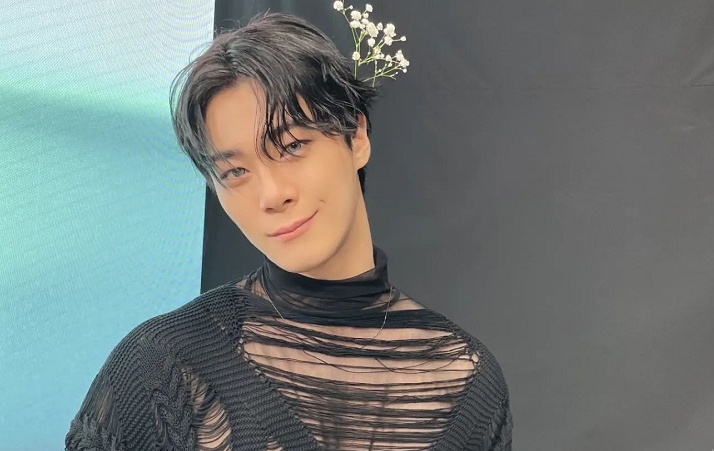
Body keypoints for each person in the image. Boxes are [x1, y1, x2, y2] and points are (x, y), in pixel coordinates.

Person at [65, 12, 512, 451]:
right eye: (236, 171)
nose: (272, 194)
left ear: (356, 137)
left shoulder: (469, 384)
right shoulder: (161, 368)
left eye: (292, 145)